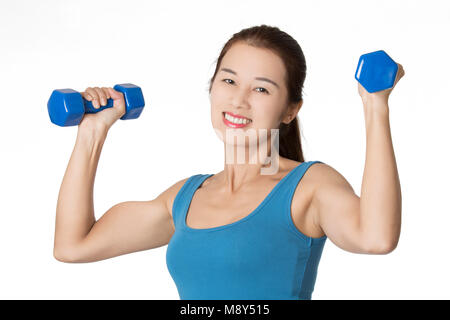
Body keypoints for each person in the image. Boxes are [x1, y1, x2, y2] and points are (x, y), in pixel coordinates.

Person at [53, 24, 404, 300]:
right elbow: (73, 245)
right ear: (212, 88)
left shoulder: (308, 186)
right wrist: (92, 132)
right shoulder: (185, 198)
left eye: (261, 89)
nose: (238, 100)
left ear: (291, 110)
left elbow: (375, 237)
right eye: (229, 80)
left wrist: (375, 106)